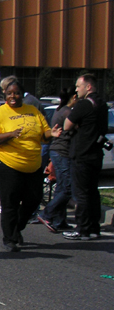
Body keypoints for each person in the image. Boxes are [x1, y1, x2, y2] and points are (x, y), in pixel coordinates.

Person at [0, 79, 57, 252]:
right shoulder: (0, 113)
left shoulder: (33, 111)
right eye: (10, 93)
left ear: (22, 95)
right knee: (10, 202)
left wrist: (52, 133)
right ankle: (10, 239)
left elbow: (44, 133)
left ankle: (17, 228)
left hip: (32, 163)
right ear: (5, 95)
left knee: (33, 200)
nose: (13, 96)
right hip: (7, 163)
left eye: (16, 93)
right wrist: (10, 134)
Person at [62, 73, 109, 241]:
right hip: (96, 153)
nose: (76, 89)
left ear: (88, 87)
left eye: (78, 86)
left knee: (80, 193)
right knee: (92, 192)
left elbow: (67, 125)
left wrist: (74, 109)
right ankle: (93, 228)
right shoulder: (102, 104)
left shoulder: (83, 105)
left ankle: (82, 229)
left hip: (81, 153)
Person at [37, 89, 76, 233]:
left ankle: (59, 221)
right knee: (67, 188)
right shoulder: (67, 112)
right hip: (62, 151)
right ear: (74, 97)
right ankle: (47, 213)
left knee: (61, 186)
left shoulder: (60, 110)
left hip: (57, 151)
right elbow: (76, 127)